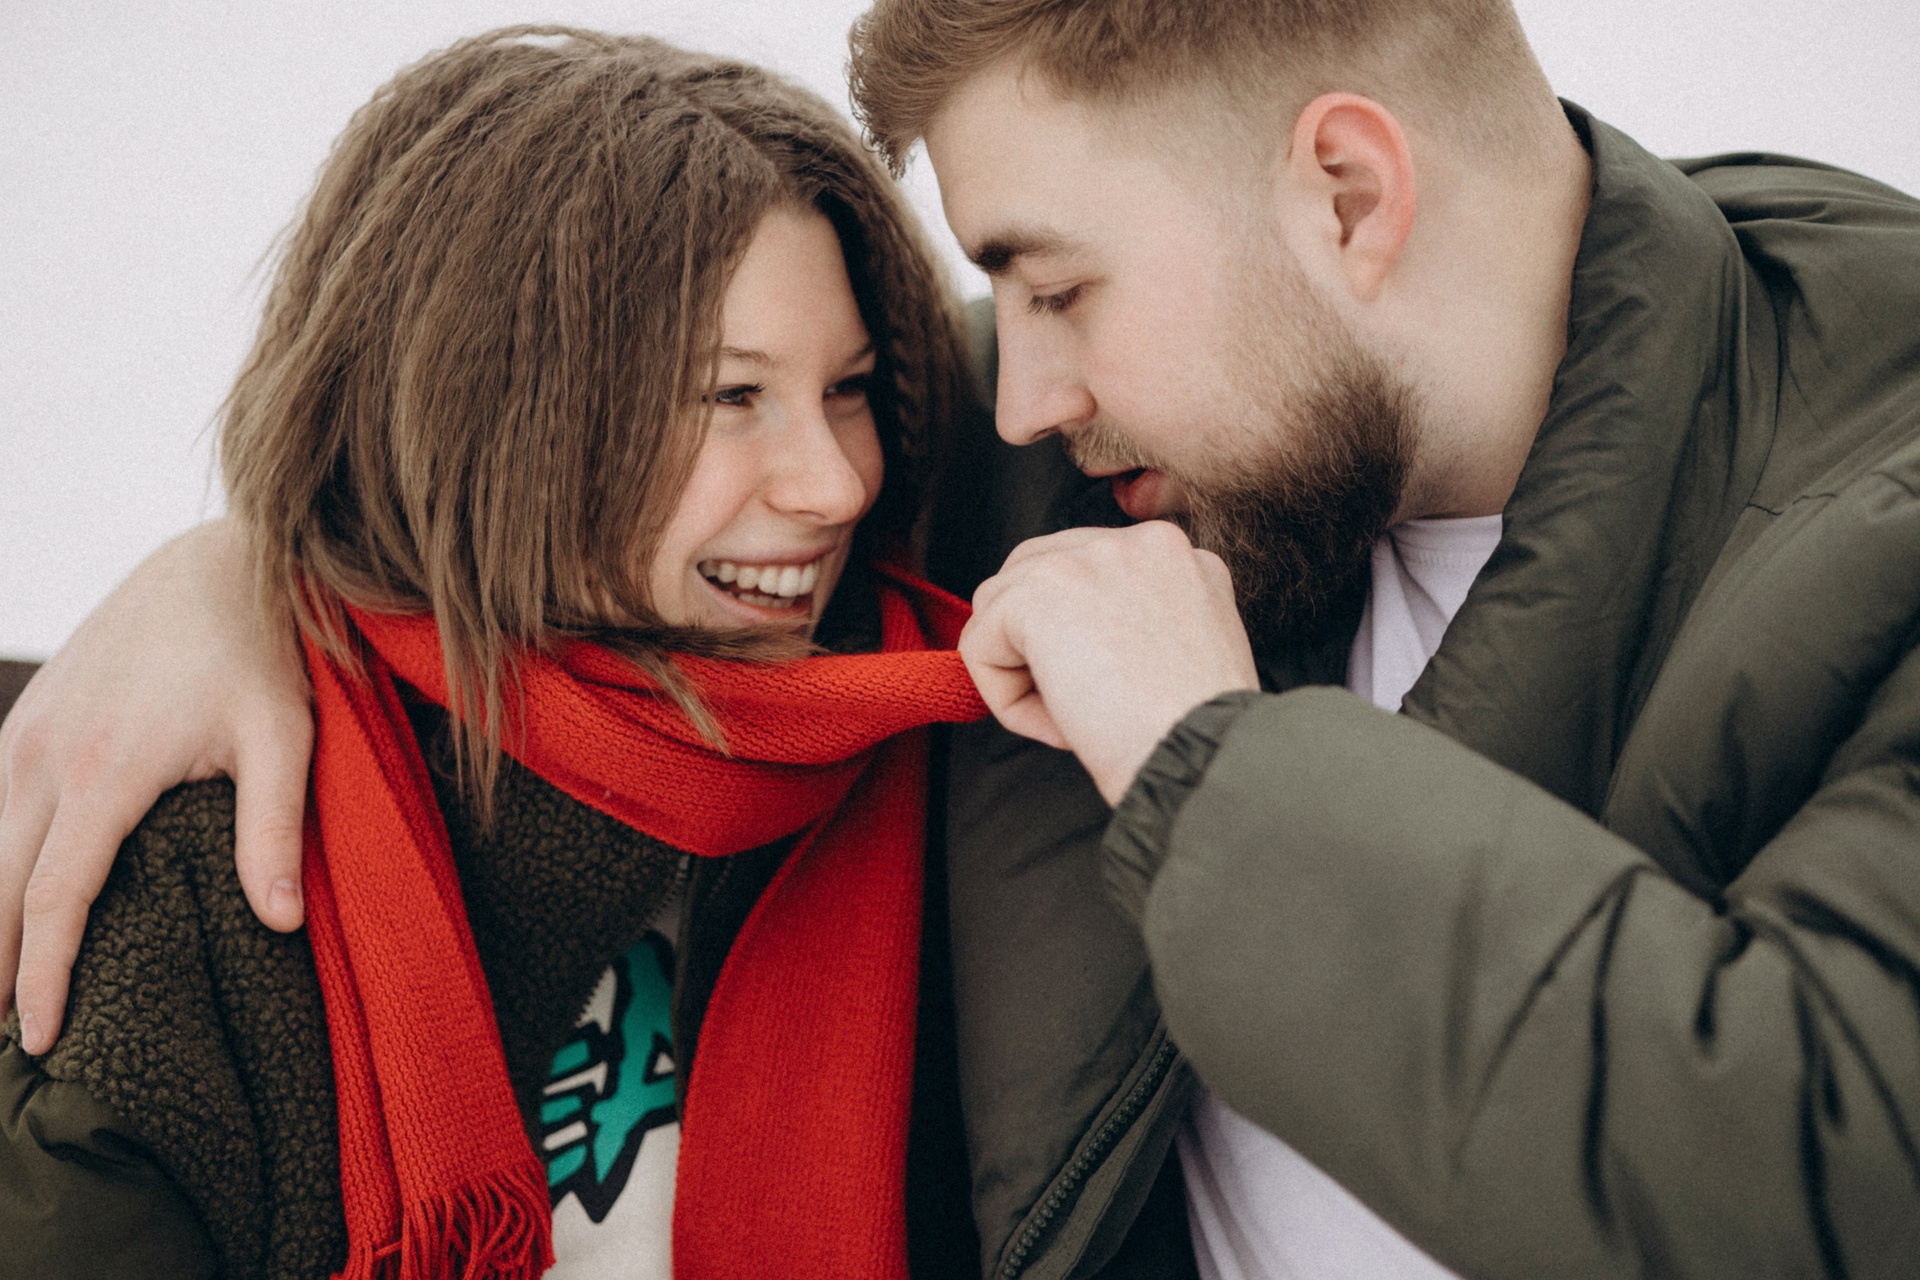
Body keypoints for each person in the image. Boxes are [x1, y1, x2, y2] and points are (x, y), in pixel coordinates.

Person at [6, 1, 1920, 1277]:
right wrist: (249, 571)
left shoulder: (1874, 506)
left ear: (1347, 196)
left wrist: (1209, 764)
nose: (1005, 398)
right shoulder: (1086, 455)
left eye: (1051, 285)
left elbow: (1825, 1165)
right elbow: (545, 422)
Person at [0, 26, 993, 1280]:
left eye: (849, 388)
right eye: (733, 396)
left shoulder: (953, 724)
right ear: (498, 413)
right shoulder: (193, 857)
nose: (836, 482)